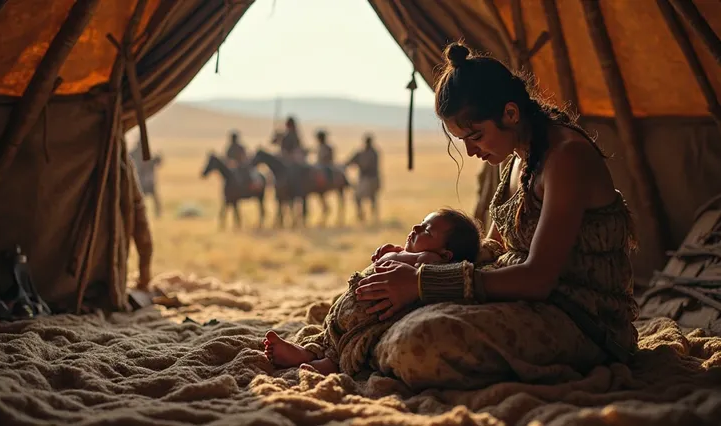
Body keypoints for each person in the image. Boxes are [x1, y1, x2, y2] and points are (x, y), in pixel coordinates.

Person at [349, 42, 639, 390]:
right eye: (463, 141)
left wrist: (424, 282)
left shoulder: (566, 158)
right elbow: (496, 249)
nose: (472, 151)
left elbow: (537, 279)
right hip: (529, 301)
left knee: (419, 341)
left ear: (511, 114)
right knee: (385, 285)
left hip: (583, 320)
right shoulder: (518, 154)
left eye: (475, 136)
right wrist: (416, 261)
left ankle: (379, 350)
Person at [263, 209, 483, 376]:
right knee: (329, 334)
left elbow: (420, 271)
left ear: (445, 255)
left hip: (373, 315)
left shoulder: (430, 261)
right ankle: (307, 351)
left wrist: (406, 258)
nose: (415, 228)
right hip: (352, 304)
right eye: (421, 223)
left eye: (426, 230)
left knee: (350, 344)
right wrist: (393, 253)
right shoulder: (411, 253)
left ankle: (327, 365)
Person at [345, 134, 380, 222]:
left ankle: (367, 216)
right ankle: (365, 216)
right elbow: (350, 161)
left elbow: (367, 166)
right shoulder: (364, 152)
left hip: (369, 178)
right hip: (368, 179)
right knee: (367, 198)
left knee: (363, 197)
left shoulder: (372, 153)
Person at [129, 140, 163, 218]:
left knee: (151, 200)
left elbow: (157, 161)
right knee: (140, 201)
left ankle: (157, 214)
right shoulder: (137, 154)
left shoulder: (144, 154)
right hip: (142, 182)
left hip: (146, 182)